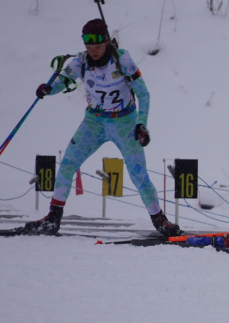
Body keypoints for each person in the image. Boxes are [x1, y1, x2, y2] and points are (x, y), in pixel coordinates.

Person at [23, 18, 181, 236]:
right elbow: (62, 82)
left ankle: (160, 221)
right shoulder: (81, 61)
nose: (94, 52)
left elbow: (143, 94)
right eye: (89, 47)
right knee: (68, 163)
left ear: (107, 42)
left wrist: (141, 123)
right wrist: (47, 89)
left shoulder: (122, 60)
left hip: (124, 122)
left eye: (98, 47)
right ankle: (53, 218)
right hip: (94, 122)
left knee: (138, 173)